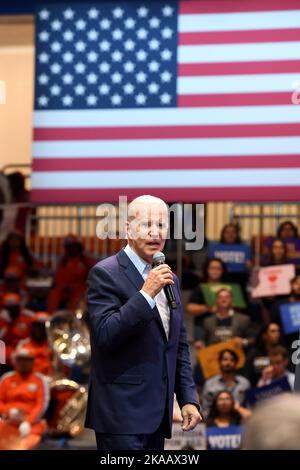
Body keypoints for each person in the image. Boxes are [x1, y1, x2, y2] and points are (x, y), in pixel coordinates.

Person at [85, 195, 201, 451]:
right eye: (146, 224)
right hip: (120, 416)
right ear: (128, 229)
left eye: (161, 226)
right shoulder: (105, 273)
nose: (155, 232)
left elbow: (178, 346)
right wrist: (146, 294)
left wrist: (188, 399)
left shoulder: (171, 279)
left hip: (157, 417)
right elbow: (105, 335)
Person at [0, 348, 49, 441]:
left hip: (31, 422)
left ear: (33, 362)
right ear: (16, 361)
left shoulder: (40, 380)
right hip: (8, 419)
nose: (23, 363)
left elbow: (41, 404)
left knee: (31, 437)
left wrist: (28, 422)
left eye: (27, 360)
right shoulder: (6, 378)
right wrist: (7, 411)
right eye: (20, 360)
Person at [48, 234, 96, 313]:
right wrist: (63, 286)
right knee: (54, 294)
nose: (72, 249)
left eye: (74, 246)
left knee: (76, 297)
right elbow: (58, 278)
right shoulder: (63, 261)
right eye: (69, 246)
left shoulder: (85, 260)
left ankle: (72, 319)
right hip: (65, 288)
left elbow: (96, 271)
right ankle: (52, 318)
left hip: (80, 289)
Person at [186, 258, 227, 342]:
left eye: (218, 269)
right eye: (212, 268)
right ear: (206, 270)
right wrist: (208, 308)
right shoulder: (200, 288)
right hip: (203, 326)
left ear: (223, 271)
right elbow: (190, 308)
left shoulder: (229, 288)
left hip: (225, 326)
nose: (215, 271)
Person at [202, 349, 250, 415]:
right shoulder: (209, 384)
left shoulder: (244, 383)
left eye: (232, 360)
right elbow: (205, 408)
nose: (228, 363)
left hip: (240, 421)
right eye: (225, 359)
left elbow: (249, 406)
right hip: (215, 421)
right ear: (219, 362)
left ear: (236, 363)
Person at [0, 293, 34, 366]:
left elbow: (36, 334)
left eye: (14, 307)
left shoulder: (28, 316)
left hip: (25, 346)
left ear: (19, 306)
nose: (11, 310)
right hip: (7, 349)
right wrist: (7, 325)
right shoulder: (2, 318)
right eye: (9, 308)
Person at [16, 312, 53, 377]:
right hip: (27, 380)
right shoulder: (23, 344)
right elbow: (17, 366)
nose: (39, 330)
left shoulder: (53, 346)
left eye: (42, 327)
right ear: (32, 327)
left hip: (48, 380)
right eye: (36, 326)